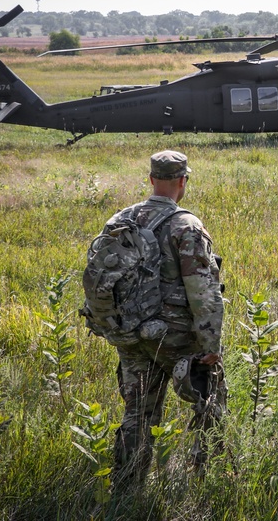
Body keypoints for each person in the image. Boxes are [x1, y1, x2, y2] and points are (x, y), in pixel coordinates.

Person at [108, 151, 226, 488]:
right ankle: (206, 480)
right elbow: (204, 292)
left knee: (138, 411)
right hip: (174, 337)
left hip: (130, 333)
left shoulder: (120, 220)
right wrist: (210, 346)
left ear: (150, 180)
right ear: (182, 181)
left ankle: (126, 487)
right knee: (211, 395)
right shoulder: (185, 225)